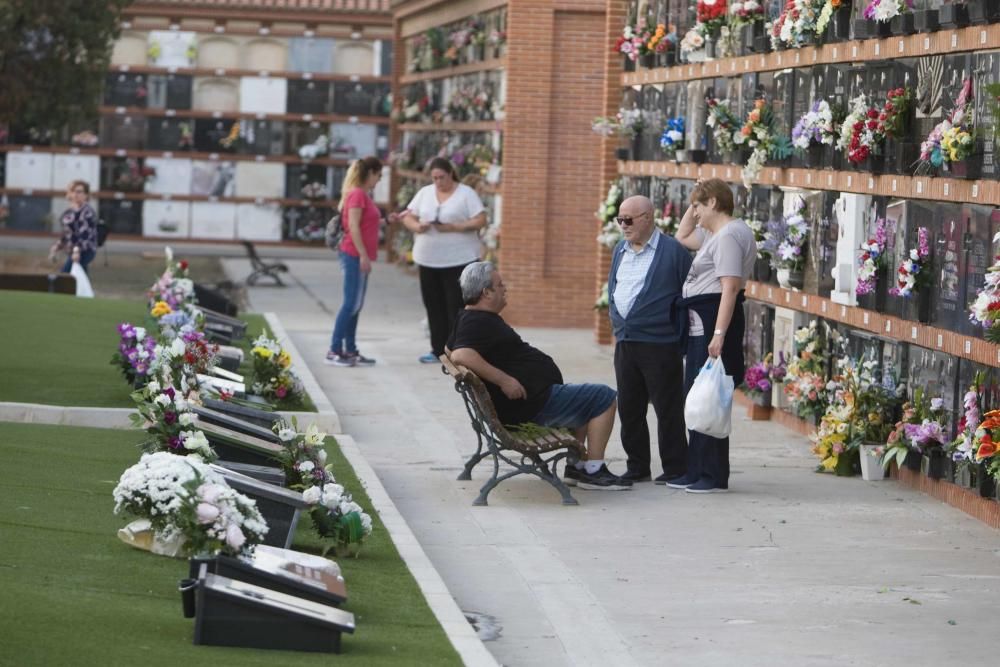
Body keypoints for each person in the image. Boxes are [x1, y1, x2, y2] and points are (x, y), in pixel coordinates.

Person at [447, 262, 631, 490]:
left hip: (532, 401)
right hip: (530, 407)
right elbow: (460, 354)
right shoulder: (476, 322)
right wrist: (505, 380)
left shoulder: (471, 318)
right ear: (486, 292)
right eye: (500, 285)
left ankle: (577, 468)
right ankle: (593, 471)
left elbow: (453, 350)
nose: (505, 289)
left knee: (586, 398)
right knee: (603, 397)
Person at [671, 178, 757, 493]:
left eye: (697, 205)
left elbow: (730, 287)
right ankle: (697, 470)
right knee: (697, 397)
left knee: (708, 398)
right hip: (702, 322)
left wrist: (718, 334)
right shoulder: (716, 235)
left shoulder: (730, 236)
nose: (693, 212)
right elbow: (682, 236)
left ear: (713, 204)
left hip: (713, 324)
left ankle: (711, 475)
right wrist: (697, 196)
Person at [607, 195, 693, 484]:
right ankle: (637, 466)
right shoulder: (620, 250)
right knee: (629, 408)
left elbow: (688, 293)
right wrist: (616, 319)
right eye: (620, 220)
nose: (623, 225)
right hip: (626, 340)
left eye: (628, 220)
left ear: (647, 217)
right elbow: (613, 287)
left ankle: (675, 467)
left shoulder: (673, 252)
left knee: (667, 408)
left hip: (660, 343)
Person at [401, 158, 488, 364]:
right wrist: (417, 226)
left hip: (459, 258)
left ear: (451, 174)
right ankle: (437, 348)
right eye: (434, 178)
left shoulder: (466, 194)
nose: (438, 182)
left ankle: (457, 350)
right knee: (433, 304)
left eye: (442, 177)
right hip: (429, 259)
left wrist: (455, 227)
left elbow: (480, 219)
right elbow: (407, 216)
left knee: (455, 305)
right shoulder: (424, 193)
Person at [326, 156, 383, 367]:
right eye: (378, 175)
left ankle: (349, 349)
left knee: (356, 305)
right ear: (370, 173)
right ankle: (334, 349)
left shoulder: (362, 195)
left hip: (357, 254)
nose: (379, 180)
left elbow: (364, 222)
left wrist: (388, 219)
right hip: (353, 254)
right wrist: (363, 255)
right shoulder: (358, 194)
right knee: (350, 303)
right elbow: (354, 227)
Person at [49, 180, 98, 274]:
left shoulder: (87, 212)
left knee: (65, 276)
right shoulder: (69, 212)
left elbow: (84, 235)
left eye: (79, 192)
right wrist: (57, 246)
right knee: (80, 280)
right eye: (73, 191)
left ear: (86, 195)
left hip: (85, 250)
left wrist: (76, 251)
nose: (76, 194)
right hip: (73, 250)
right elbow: (67, 233)